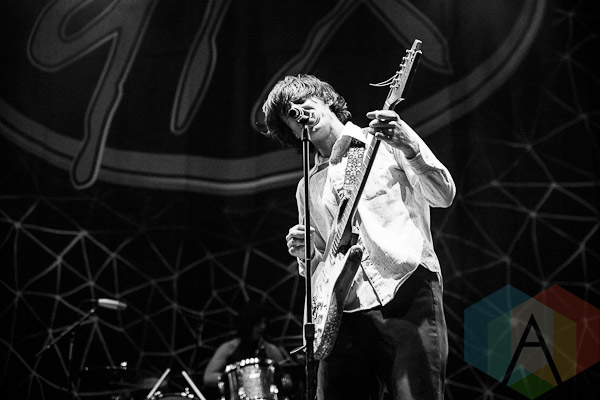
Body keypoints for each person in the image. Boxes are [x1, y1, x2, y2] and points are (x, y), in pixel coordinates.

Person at [261, 74, 456, 400]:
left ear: (326, 100)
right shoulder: (308, 187)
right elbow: (317, 268)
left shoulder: (383, 141)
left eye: (304, 101)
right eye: (290, 114)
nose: (299, 111)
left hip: (404, 292)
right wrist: (308, 253)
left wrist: (409, 147)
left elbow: (443, 194)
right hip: (342, 315)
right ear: (292, 132)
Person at [202, 301, 295, 395]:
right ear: (247, 323)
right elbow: (208, 377)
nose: (263, 326)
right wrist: (239, 378)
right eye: (258, 323)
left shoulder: (271, 350)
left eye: (265, 322)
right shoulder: (229, 348)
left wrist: (269, 379)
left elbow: (288, 381)